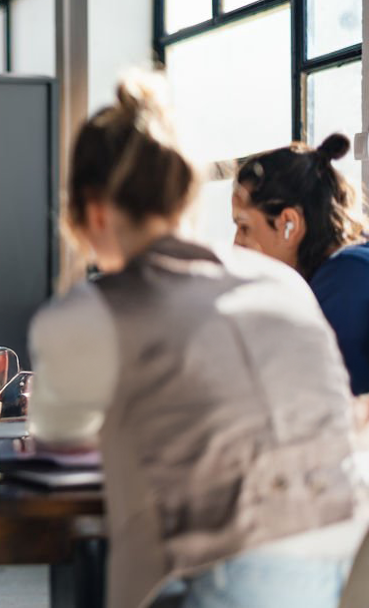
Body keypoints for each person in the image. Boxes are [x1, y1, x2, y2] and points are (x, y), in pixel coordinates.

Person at [28, 73, 367, 608]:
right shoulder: (282, 280)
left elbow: (54, 434)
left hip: (241, 576)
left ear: (92, 212)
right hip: (345, 561)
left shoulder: (94, 309)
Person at [232, 133, 369, 394]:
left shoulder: (343, 283)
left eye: (244, 227)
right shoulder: (356, 261)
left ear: (289, 224)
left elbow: (327, 415)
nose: (236, 245)